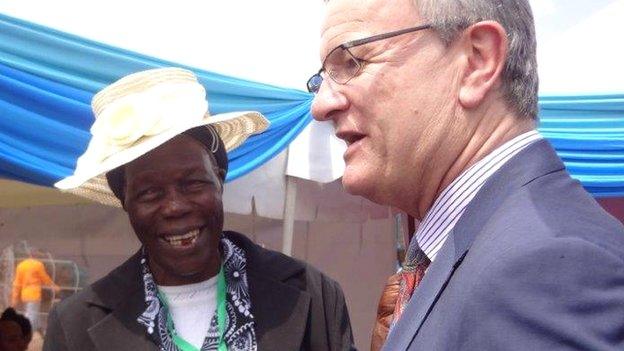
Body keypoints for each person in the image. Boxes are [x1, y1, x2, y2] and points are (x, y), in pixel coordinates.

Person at [308, 0, 624, 350]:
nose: (321, 106)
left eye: (352, 62)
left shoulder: (549, 269)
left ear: (477, 62)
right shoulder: (485, 248)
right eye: (320, 79)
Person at [44, 68, 354, 351]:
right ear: (125, 200)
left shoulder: (313, 294)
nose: (175, 207)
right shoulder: (76, 327)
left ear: (219, 179)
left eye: (192, 183)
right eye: (150, 193)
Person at [12, 254, 59, 332]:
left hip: (25, 294)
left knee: (34, 313)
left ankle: (40, 328)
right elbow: (45, 278)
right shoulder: (38, 265)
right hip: (34, 294)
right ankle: (26, 331)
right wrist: (54, 287)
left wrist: (14, 298)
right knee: (31, 314)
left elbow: (17, 283)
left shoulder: (21, 266)